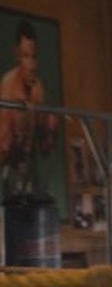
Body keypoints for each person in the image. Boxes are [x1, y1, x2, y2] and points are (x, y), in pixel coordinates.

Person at [0, 19, 59, 195]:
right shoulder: (8, 88)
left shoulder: (37, 88)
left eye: (34, 57)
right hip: (12, 170)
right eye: (26, 57)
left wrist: (51, 129)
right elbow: (3, 149)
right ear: (17, 55)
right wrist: (17, 132)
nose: (31, 66)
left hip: (31, 172)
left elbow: (44, 147)